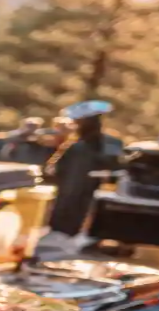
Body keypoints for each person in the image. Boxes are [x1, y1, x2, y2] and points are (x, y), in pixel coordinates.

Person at [44, 101, 125, 235]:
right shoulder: (74, 146)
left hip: (93, 195)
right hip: (69, 199)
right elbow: (56, 169)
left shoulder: (110, 143)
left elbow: (120, 169)